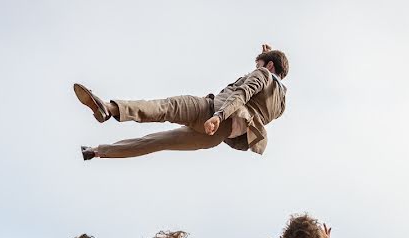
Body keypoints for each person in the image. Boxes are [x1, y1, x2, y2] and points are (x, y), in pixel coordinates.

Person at [76, 44, 287, 160]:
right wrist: (268, 56)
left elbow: (242, 93)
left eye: (257, 64)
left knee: (164, 108)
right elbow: (257, 103)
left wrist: (218, 115)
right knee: (157, 142)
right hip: (216, 136)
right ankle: (98, 151)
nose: (254, 68)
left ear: (268, 66)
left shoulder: (262, 74)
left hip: (211, 112)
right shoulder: (280, 105)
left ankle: (110, 109)